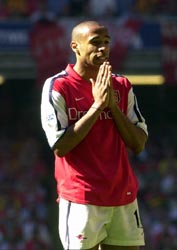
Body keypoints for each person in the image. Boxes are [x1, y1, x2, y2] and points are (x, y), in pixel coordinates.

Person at [41, 20, 148, 250]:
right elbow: (60, 146)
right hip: (82, 197)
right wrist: (97, 106)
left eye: (107, 42)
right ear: (75, 47)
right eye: (95, 42)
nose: (103, 48)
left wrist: (112, 107)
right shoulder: (58, 87)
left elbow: (138, 143)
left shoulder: (121, 85)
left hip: (123, 195)